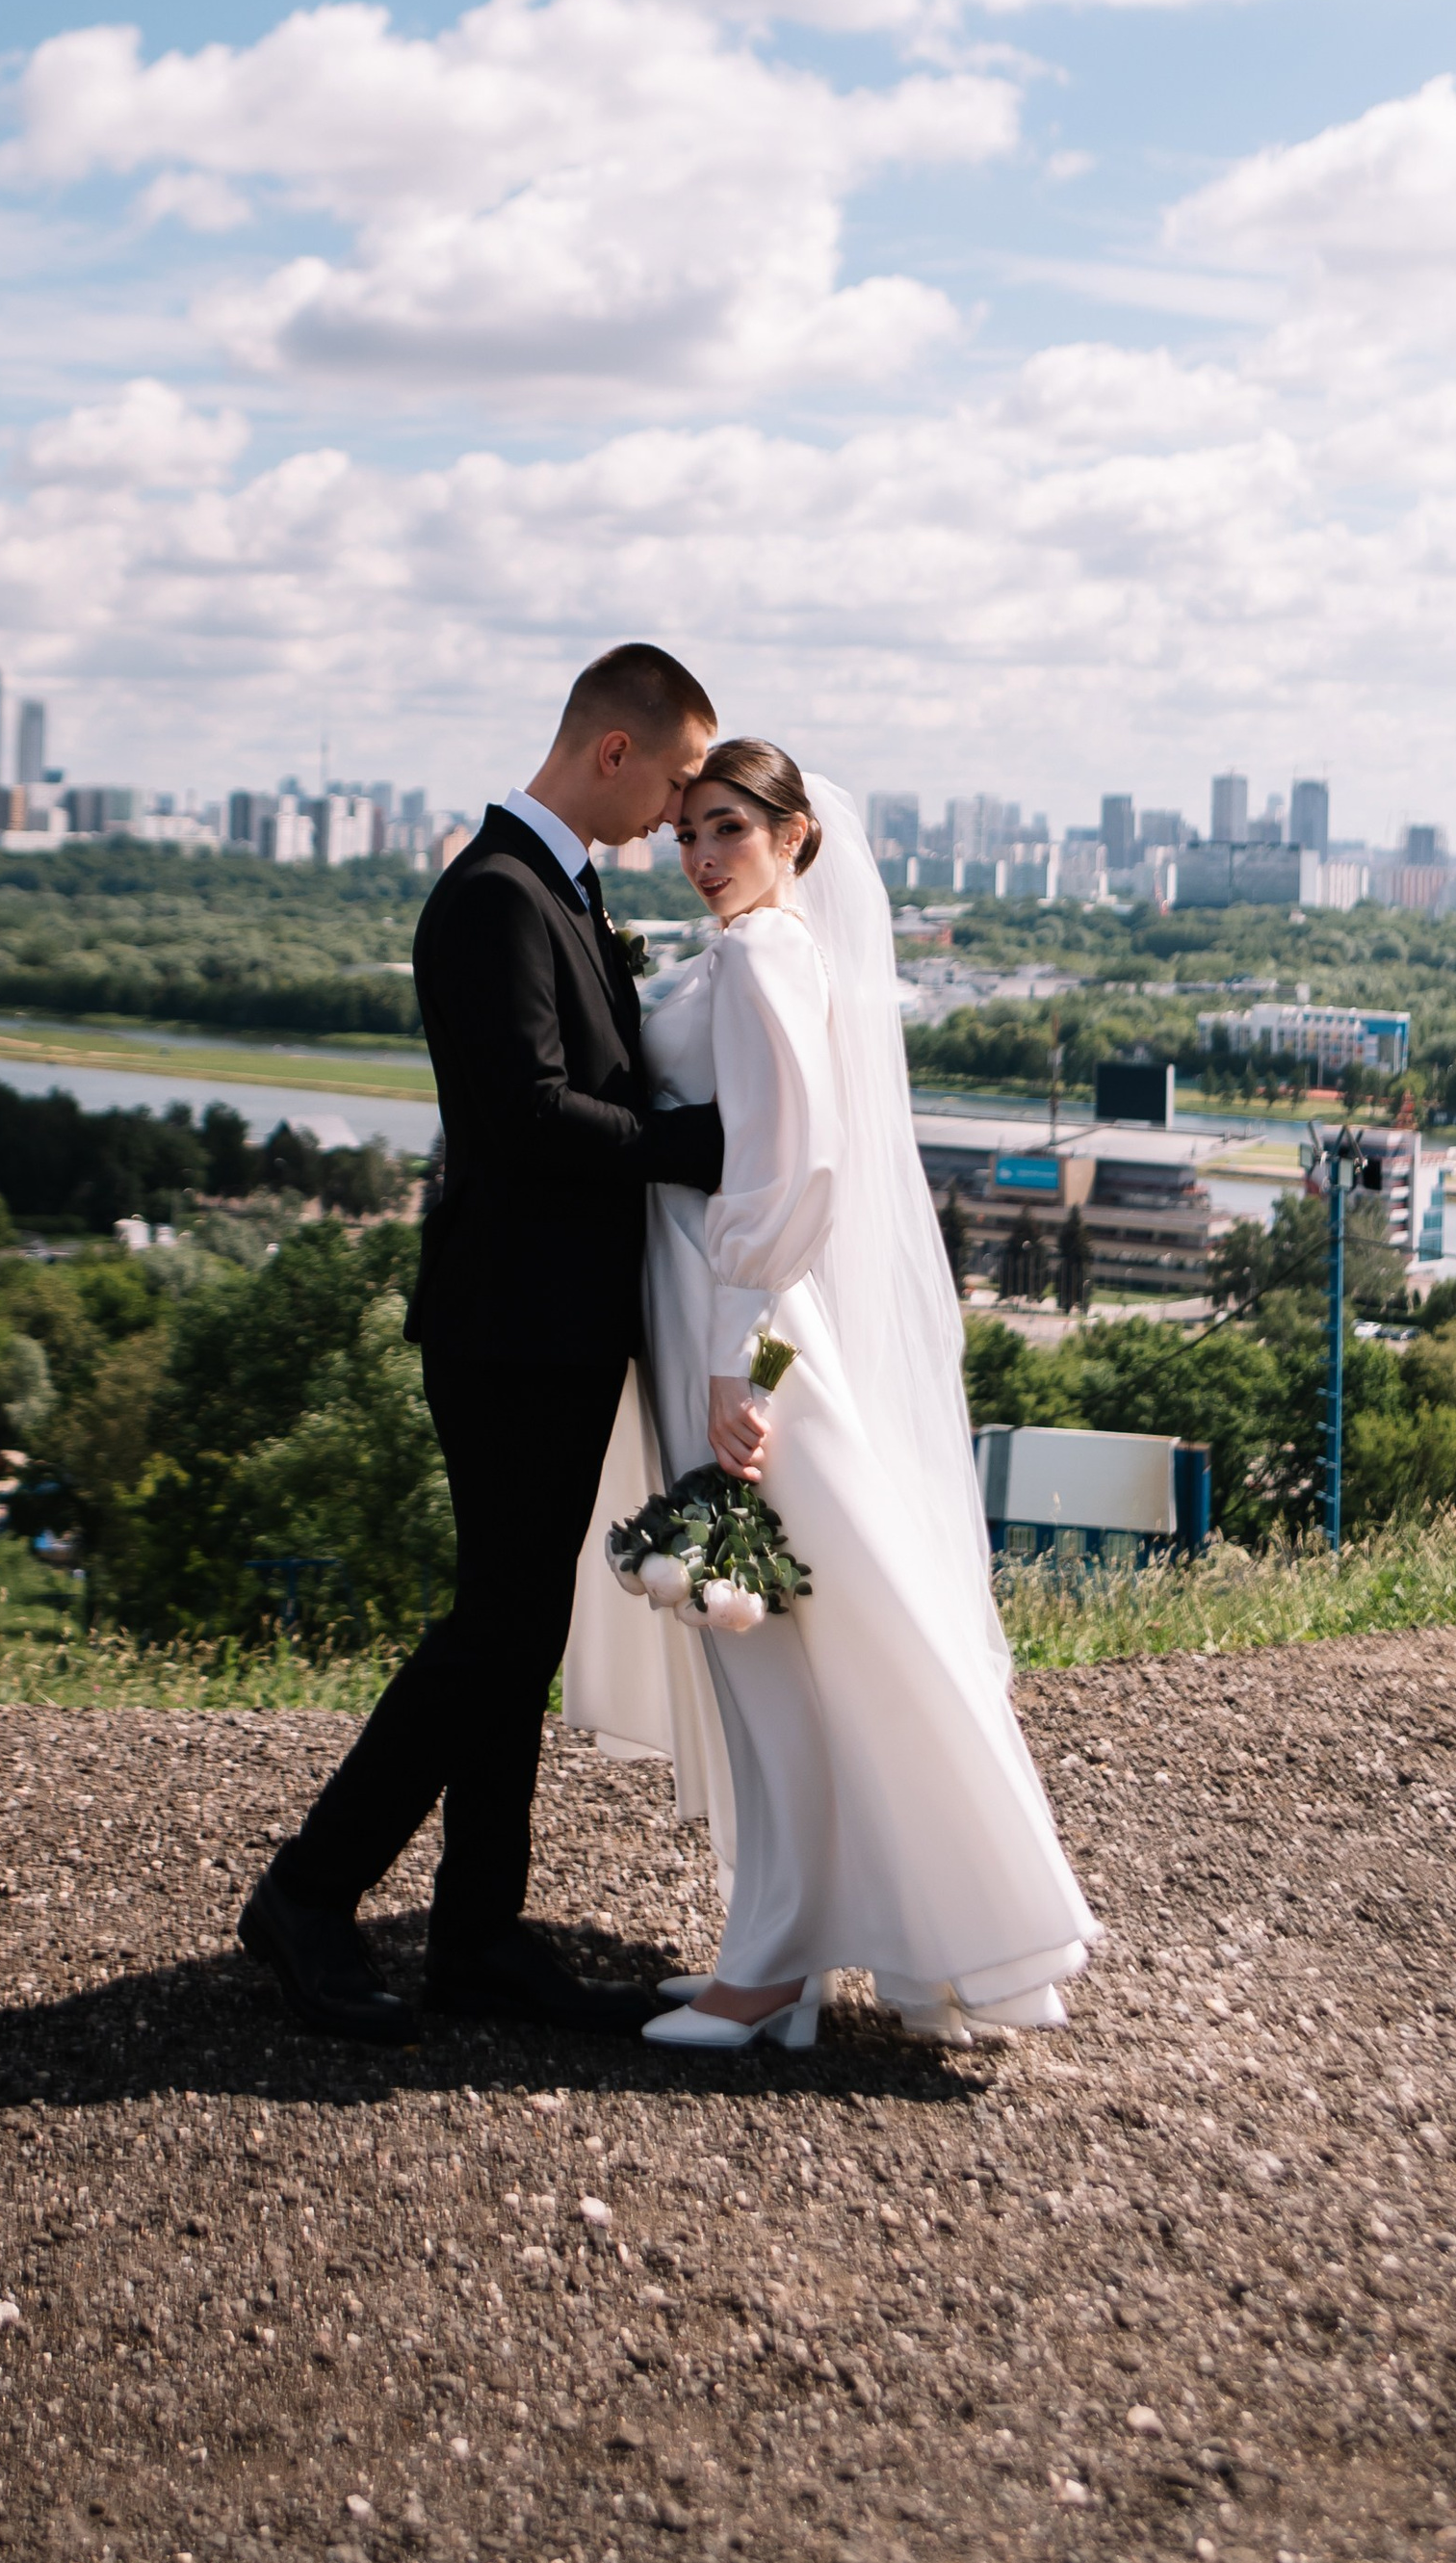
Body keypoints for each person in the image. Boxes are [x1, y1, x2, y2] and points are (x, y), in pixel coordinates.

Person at [561, 744, 1096, 2052]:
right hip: (720, 1317)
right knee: (778, 1641)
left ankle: (772, 1970)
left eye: (729, 830)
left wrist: (734, 1365)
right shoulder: (755, 953)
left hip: (736, 1329)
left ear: (795, 836)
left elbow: (791, 1172)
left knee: (768, 1648)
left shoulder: (763, 958)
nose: (702, 856)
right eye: (689, 832)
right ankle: (780, 1955)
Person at [240, 642, 729, 2045]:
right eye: (677, 779)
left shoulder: (560, 887)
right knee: (495, 1629)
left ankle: (478, 1938)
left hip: (551, 1321)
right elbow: (527, 1118)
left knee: (520, 1633)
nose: (679, 814)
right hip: (509, 1325)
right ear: (615, 751)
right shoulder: (495, 894)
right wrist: (701, 1146)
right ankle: (309, 1893)